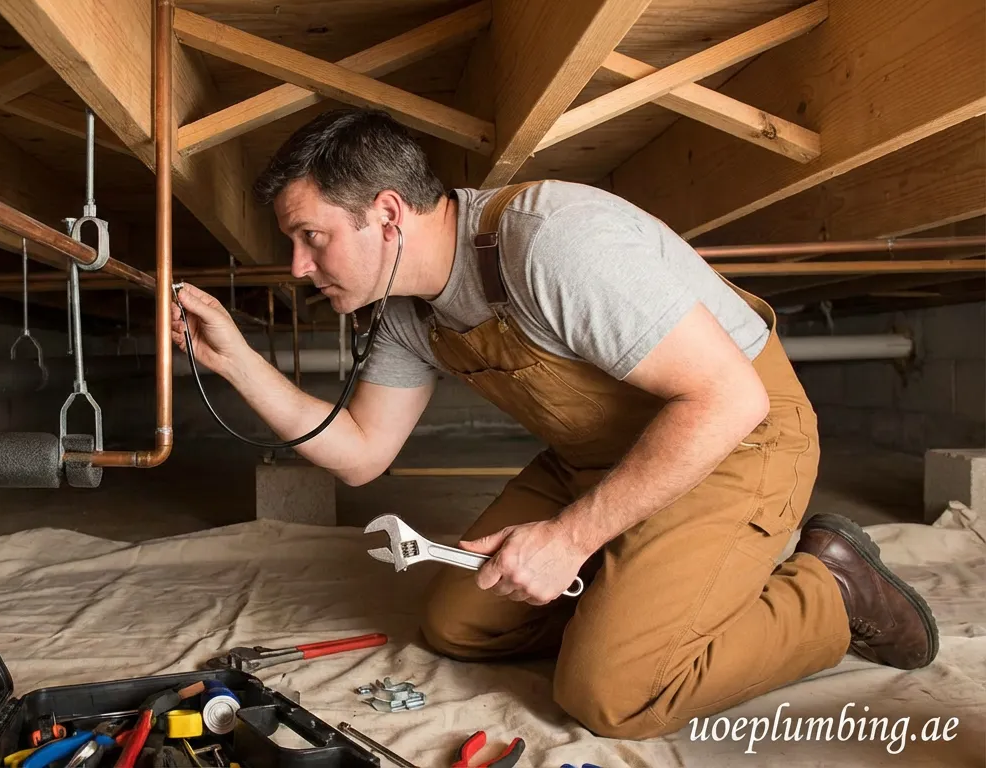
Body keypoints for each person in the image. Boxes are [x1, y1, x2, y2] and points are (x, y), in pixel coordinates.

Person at [168, 108, 938, 739]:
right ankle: (644, 585)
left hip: (738, 443)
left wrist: (571, 538)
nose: (299, 267)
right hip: (605, 461)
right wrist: (236, 361)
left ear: (388, 214)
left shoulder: (550, 242)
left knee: (614, 692)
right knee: (460, 624)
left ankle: (832, 588)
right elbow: (363, 453)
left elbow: (730, 400)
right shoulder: (409, 313)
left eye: (312, 236)